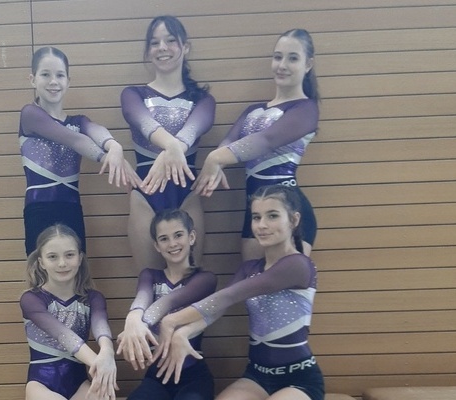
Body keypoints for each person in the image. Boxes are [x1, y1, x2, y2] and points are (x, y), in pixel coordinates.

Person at [152, 185, 324, 400]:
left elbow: (228, 296)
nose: (262, 225)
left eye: (272, 216)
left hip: (299, 379)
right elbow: (217, 309)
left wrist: (171, 320)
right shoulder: (249, 268)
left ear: (293, 220)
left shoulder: (298, 265)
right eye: (256, 217)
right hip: (257, 376)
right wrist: (184, 332)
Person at [191, 29, 320, 260]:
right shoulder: (253, 110)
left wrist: (216, 159)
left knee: (284, 282)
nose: (282, 65)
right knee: (252, 282)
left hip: (287, 210)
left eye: (292, 58)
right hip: (255, 210)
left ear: (308, 64)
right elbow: (229, 142)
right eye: (278, 57)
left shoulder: (306, 109)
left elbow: (267, 140)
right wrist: (215, 165)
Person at [20, 46, 140, 255]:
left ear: (68, 81)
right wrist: (109, 158)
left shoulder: (78, 121)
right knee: (41, 270)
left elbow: (96, 130)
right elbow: (74, 140)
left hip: (72, 208)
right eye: (45, 75)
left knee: (76, 268)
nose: (53, 81)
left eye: (60, 75)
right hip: (39, 209)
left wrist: (114, 147)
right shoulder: (30, 114)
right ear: (32, 79)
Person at [121, 15, 216, 269]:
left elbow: (193, 129)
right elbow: (144, 123)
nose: (162, 47)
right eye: (155, 42)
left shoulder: (203, 100)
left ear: (186, 47)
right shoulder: (133, 94)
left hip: (186, 194)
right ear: (148, 51)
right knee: (148, 281)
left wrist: (171, 151)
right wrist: (172, 148)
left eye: (170, 40)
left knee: (190, 278)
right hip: (146, 195)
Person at [116, 209, 217, 400]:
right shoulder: (150, 275)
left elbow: (170, 301)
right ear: (157, 245)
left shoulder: (205, 279)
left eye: (178, 235)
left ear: (191, 237)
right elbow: (142, 297)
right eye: (164, 238)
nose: (172, 243)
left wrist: (141, 323)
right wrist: (133, 318)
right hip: (156, 377)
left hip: (193, 378)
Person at [19, 223, 118, 400]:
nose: (62, 263)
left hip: (79, 383)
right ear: (41, 262)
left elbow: (101, 328)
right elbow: (63, 335)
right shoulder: (31, 299)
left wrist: (108, 352)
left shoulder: (93, 298)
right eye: (53, 257)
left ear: (80, 258)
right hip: (41, 385)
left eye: (69, 255)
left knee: (104, 396)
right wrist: (100, 364)